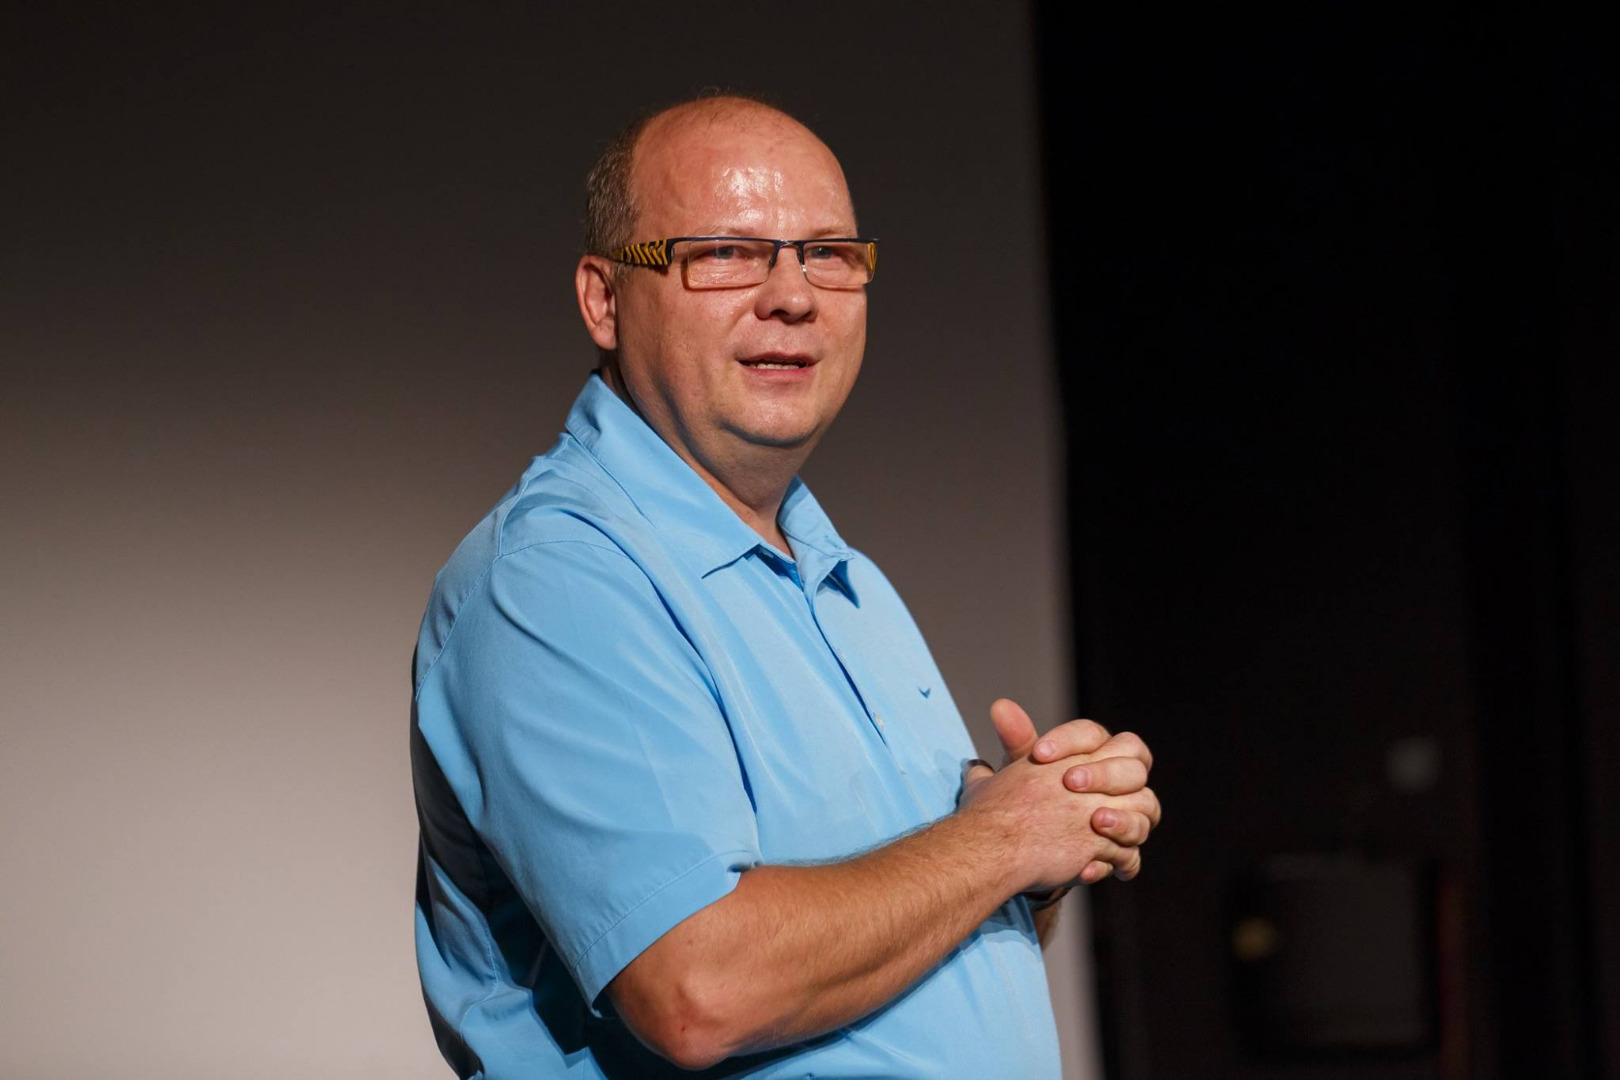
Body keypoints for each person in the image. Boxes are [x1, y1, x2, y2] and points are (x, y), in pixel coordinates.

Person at [410, 94, 1160, 1079]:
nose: (794, 297)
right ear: (604, 300)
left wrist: (1049, 834)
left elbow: (897, 943)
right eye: (726, 252)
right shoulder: (556, 577)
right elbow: (699, 989)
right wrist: (1000, 842)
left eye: (829, 255)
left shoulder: (847, 580)